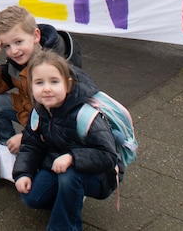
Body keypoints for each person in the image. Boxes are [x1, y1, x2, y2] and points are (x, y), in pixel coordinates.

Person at [13, 50, 119, 231]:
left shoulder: (86, 116)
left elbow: (108, 156)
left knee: (69, 176)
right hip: (57, 164)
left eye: (54, 81)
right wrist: (23, 173)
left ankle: (64, 226)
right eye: (39, 83)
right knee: (32, 197)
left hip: (100, 175)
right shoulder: (39, 112)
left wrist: (72, 157)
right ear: (31, 87)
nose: (47, 88)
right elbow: (31, 145)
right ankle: (71, 198)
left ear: (68, 85)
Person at [0, 5, 88, 154]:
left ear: (36, 36)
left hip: (58, 125)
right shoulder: (18, 59)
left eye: (18, 42)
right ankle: (6, 150)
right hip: (31, 112)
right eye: (7, 46)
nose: (14, 51)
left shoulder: (58, 65)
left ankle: (30, 150)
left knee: (48, 167)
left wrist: (27, 136)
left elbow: (61, 115)